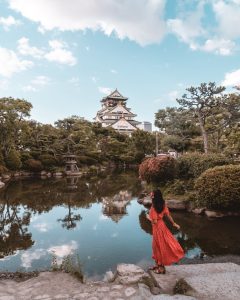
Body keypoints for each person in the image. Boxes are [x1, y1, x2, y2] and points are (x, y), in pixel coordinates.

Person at [147, 189, 184, 274]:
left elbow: (154, 221)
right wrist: (174, 223)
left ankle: (161, 269)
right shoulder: (162, 204)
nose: (150, 196)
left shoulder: (153, 208)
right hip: (162, 226)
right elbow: (168, 215)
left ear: (154, 197)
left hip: (157, 229)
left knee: (158, 247)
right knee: (161, 246)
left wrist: (148, 217)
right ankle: (157, 265)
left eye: (151, 195)